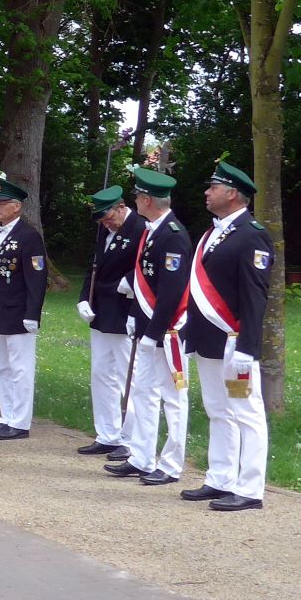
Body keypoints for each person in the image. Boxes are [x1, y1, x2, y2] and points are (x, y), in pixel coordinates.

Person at [179, 160, 272, 511]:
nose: (207, 192)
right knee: (218, 410)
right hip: (209, 341)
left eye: (213, 187)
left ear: (232, 193)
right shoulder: (212, 233)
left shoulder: (252, 234)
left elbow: (255, 296)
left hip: (235, 344)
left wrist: (248, 346)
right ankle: (220, 478)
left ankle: (250, 488)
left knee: (246, 412)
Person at [108, 167, 193, 487]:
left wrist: (154, 333)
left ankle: (171, 464)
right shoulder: (152, 230)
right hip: (148, 326)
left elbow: (171, 292)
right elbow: (144, 281)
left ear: (146, 200)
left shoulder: (172, 235)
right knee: (142, 392)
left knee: (173, 397)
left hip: (168, 331)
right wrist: (134, 314)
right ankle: (141, 456)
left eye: (137, 196)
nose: (135, 201)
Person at [77, 185, 145, 455]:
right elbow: (94, 267)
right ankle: (107, 433)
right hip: (101, 310)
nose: (107, 224)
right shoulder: (105, 230)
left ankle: (131, 439)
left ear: (121, 207)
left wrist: (131, 280)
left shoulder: (140, 227)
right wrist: (84, 298)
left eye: (109, 218)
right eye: (102, 221)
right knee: (102, 374)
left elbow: (148, 265)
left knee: (130, 377)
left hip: (125, 310)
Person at [0, 175, 46, 439]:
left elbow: (36, 278)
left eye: (2, 203)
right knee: (4, 368)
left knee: (20, 369)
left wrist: (32, 314)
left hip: (19, 312)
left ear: (16, 206)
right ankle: (7, 417)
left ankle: (20, 422)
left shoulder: (29, 237)